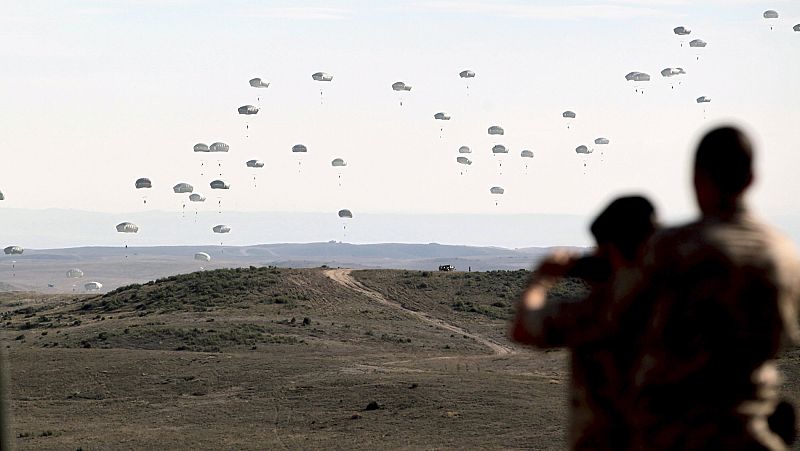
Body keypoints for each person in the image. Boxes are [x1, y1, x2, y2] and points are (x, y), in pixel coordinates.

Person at [627, 126, 800, 450]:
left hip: (677, 431)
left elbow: (633, 324)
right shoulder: (785, 253)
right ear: (752, 178)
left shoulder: (673, 247)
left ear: (696, 178)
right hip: (752, 433)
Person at [511, 195, 658, 450]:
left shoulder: (599, 312)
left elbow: (523, 328)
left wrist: (541, 280)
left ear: (608, 251)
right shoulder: (684, 303)